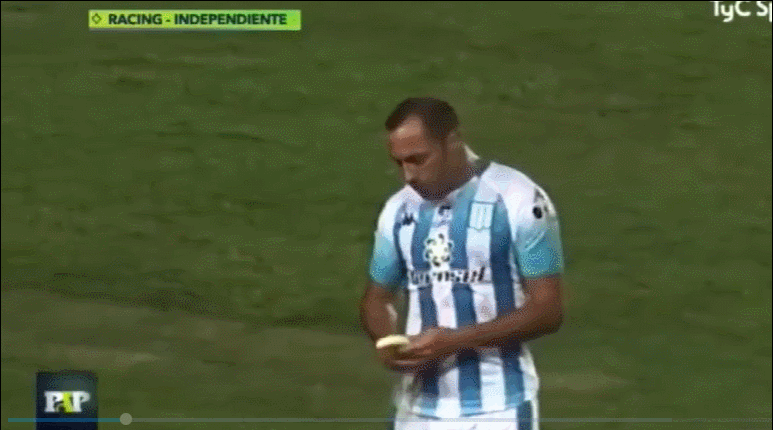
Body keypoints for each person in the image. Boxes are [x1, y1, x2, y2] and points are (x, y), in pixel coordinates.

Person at [360, 97, 565, 430]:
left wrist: (454, 341)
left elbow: (548, 310)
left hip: (498, 409)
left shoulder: (518, 199)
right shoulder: (397, 211)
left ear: (452, 141)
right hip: (416, 410)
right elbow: (376, 298)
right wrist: (387, 342)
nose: (408, 175)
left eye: (418, 159)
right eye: (399, 163)